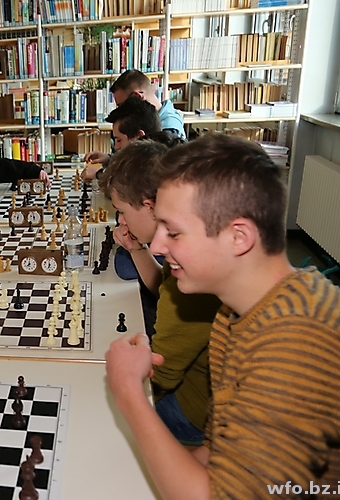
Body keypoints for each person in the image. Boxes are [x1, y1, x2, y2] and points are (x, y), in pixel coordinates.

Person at [105, 133, 340, 498]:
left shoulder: (297, 342)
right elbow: (219, 450)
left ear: (239, 237)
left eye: (174, 232)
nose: (157, 245)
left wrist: (129, 391)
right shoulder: (232, 314)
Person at [98, 141, 221, 445]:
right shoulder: (184, 239)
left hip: (190, 410)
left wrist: (117, 373)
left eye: (122, 212)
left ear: (150, 206)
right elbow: (164, 289)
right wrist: (136, 250)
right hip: (193, 386)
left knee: (99, 413)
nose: (121, 221)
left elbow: (160, 376)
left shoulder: (191, 271)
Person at [83, 68, 181, 180]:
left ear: (137, 96)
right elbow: (139, 156)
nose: (121, 110)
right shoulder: (154, 115)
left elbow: (148, 171)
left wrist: (101, 174)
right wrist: (111, 159)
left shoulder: (170, 130)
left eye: (122, 105)